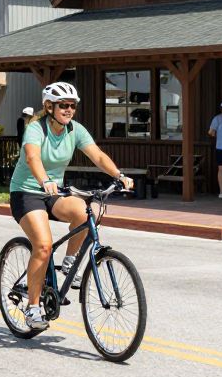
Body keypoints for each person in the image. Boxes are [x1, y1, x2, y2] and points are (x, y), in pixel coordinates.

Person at [9, 81, 133, 330]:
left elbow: (97, 155)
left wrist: (119, 176)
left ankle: (70, 261)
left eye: (72, 106)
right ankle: (33, 308)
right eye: (63, 105)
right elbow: (33, 157)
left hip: (54, 193)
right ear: (49, 106)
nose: (69, 110)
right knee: (43, 246)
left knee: (90, 212)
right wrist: (44, 180)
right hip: (26, 193)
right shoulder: (36, 128)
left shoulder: (75, 130)